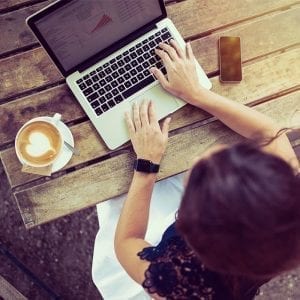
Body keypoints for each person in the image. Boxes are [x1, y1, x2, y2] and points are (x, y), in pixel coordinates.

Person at [92, 40, 300, 300]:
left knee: (115, 194)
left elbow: (126, 243)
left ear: (193, 225)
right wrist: (197, 93)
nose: (202, 156)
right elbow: (270, 134)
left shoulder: (181, 283)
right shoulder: (292, 204)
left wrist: (147, 163)